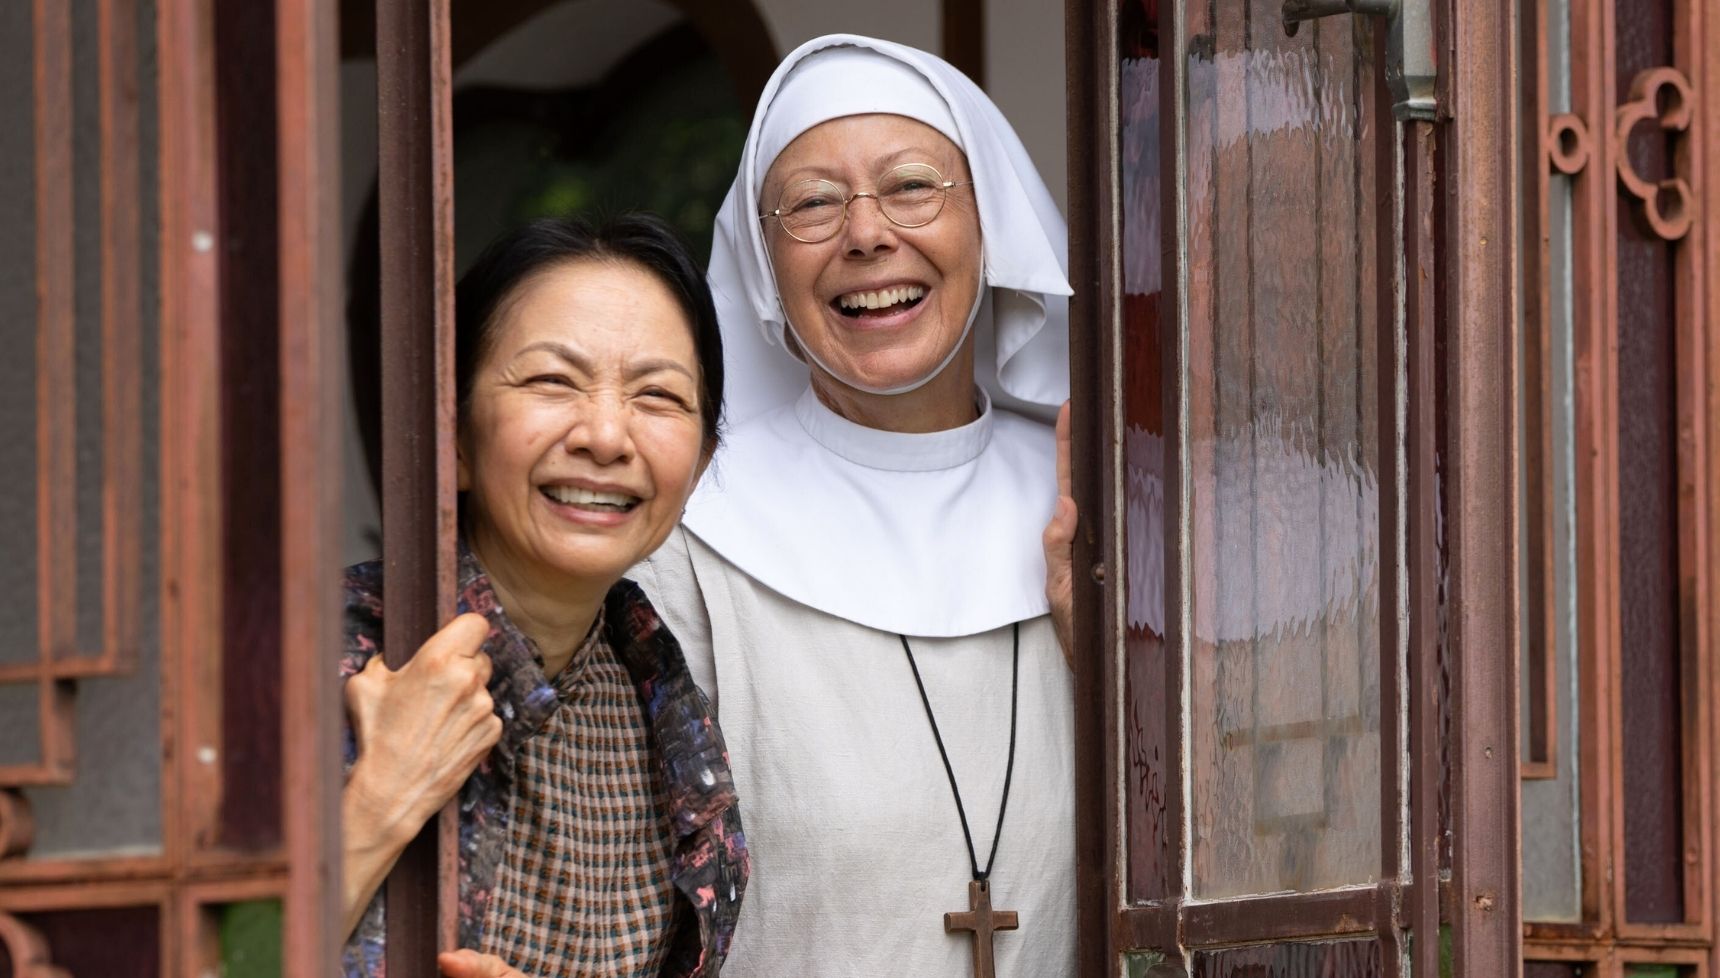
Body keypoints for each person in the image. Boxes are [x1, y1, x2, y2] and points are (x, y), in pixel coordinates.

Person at [633, 34, 1079, 977]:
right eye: (814, 203)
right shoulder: (690, 534)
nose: (867, 234)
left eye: (913, 185)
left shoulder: (1093, 507)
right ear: (762, 264)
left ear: (990, 222)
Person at [338, 215, 748, 978]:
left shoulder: (663, 711)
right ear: (452, 434)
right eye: (552, 381)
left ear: (698, 468)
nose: (605, 435)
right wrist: (381, 800)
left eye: (658, 396)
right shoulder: (327, 663)